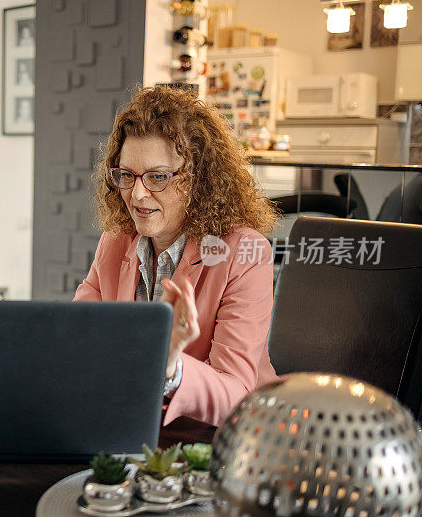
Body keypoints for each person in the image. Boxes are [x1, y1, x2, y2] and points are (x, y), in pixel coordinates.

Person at [74, 86, 280, 427]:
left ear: (198, 180)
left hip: (224, 438)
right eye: (127, 175)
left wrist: (170, 366)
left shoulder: (245, 253)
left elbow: (236, 393)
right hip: (134, 423)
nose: (138, 194)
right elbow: (79, 336)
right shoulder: (116, 240)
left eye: (158, 177)